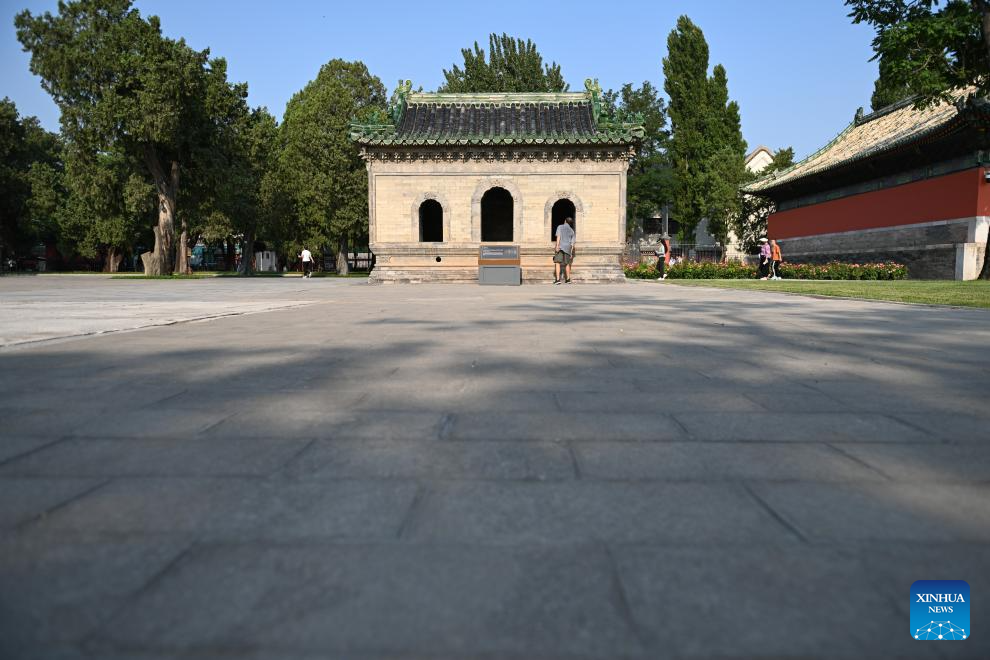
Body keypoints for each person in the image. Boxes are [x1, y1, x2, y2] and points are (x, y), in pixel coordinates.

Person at [553, 217, 576, 284]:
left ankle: (557, 280)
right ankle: (568, 279)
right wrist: (571, 252)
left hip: (561, 247)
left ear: (565, 221)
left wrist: (557, 246)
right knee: (567, 264)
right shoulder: (572, 231)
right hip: (568, 248)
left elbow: (558, 236)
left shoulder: (560, 227)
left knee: (557, 262)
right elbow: (572, 243)